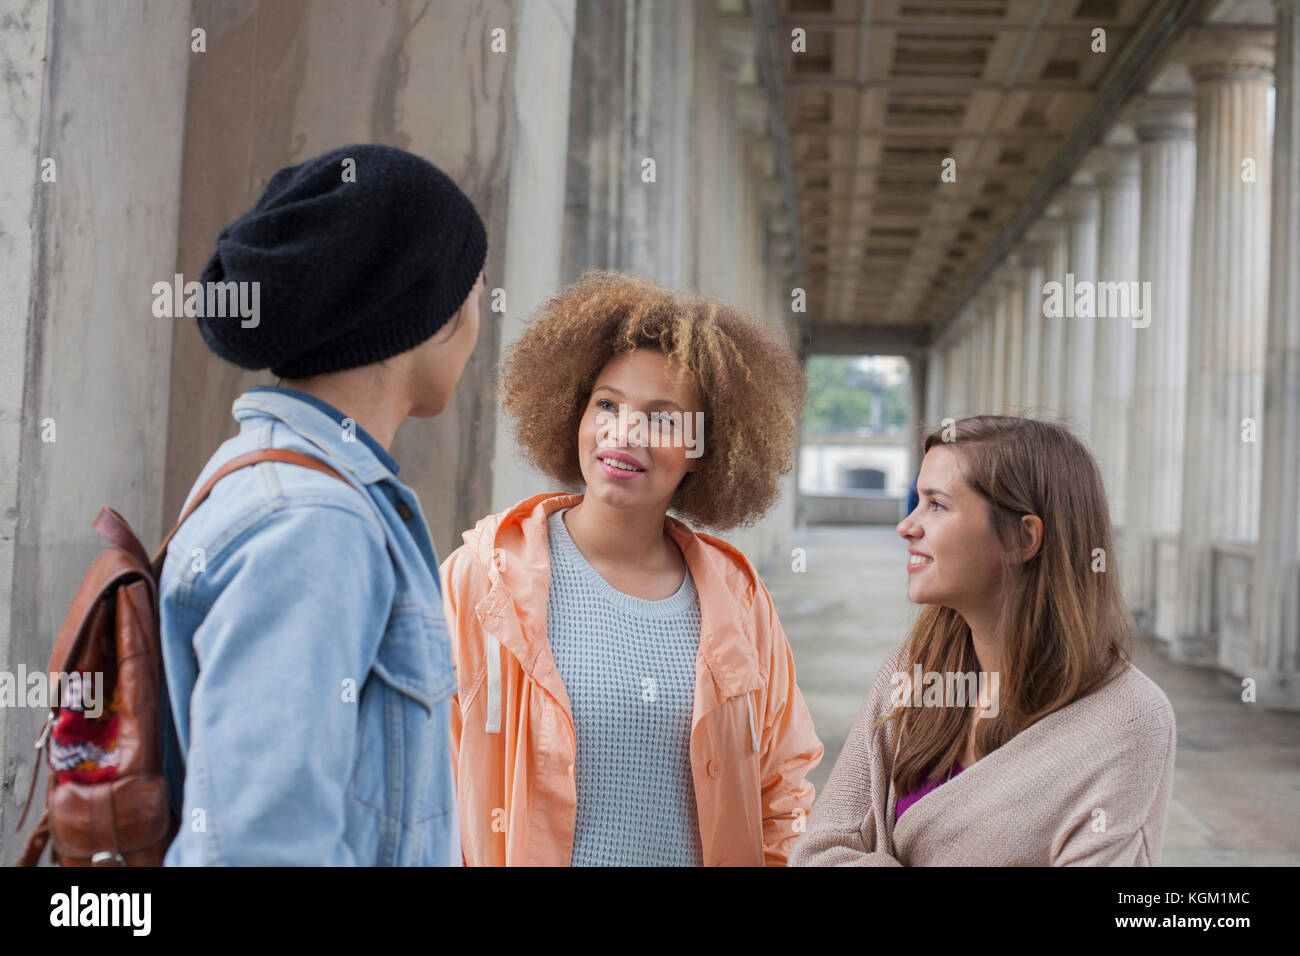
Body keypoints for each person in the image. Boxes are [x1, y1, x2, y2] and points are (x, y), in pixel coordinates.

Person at [158, 144, 486, 865]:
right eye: (471, 289)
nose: (477, 316)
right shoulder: (311, 527)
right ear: (423, 317)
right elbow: (257, 847)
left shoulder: (281, 482)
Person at [439, 271, 823, 866]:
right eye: (608, 404)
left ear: (704, 449)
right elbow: (424, 773)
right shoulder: (482, 578)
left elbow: (784, 789)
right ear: (576, 414)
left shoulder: (738, 600)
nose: (625, 432)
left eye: (663, 418)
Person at [791, 415, 1176, 866]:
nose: (907, 526)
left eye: (937, 505)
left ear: (1023, 537)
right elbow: (818, 851)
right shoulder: (912, 669)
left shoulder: (1129, 721)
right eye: (917, 501)